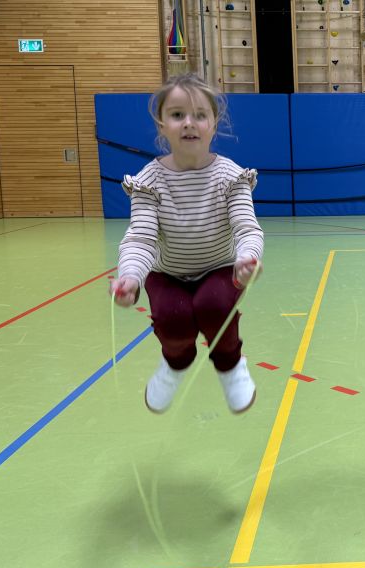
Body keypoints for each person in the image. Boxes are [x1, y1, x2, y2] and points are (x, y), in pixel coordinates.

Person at [110, 73, 264, 413]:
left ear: (213, 124)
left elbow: (246, 228)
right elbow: (141, 239)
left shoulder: (230, 176)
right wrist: (130, 278)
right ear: (162, 125)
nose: (189, 123)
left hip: (220, 268)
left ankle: (230, 364)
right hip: (168, 273)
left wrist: (247, 259)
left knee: (213, 306)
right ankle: (175, 363)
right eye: (178, 115)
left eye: (200, 115)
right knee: (172, 318)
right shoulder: (148, 181)